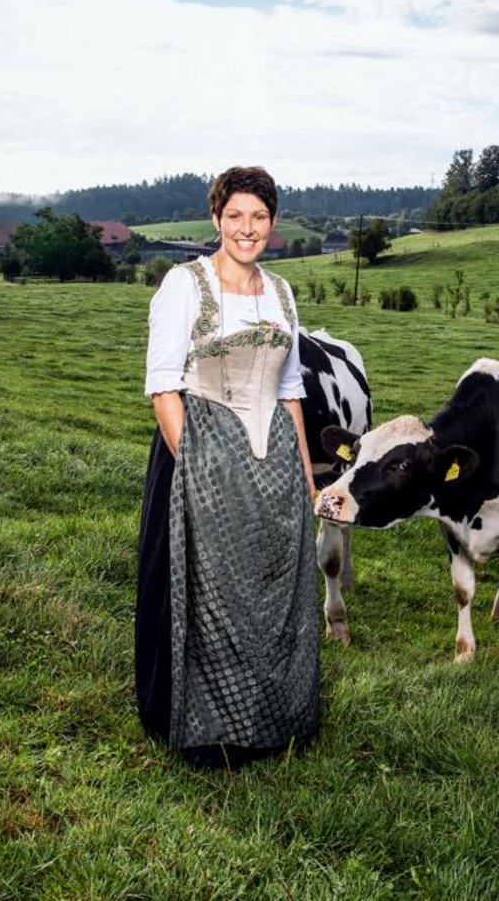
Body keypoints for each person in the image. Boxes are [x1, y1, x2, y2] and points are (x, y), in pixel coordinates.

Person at [135, 166, 319, 769]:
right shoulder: (184, 284)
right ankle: (207, 726)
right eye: (235, 216)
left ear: (273, 222)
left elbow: (290, 389)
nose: (247, 229)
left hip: (273, 457)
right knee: (208, 584)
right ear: (216, 219)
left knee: (268, 582)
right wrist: (197, 470)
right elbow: (165, 385)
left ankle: (270, 715)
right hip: (200, 448)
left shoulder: (282, 293)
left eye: (259, 217)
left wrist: (306, 477)